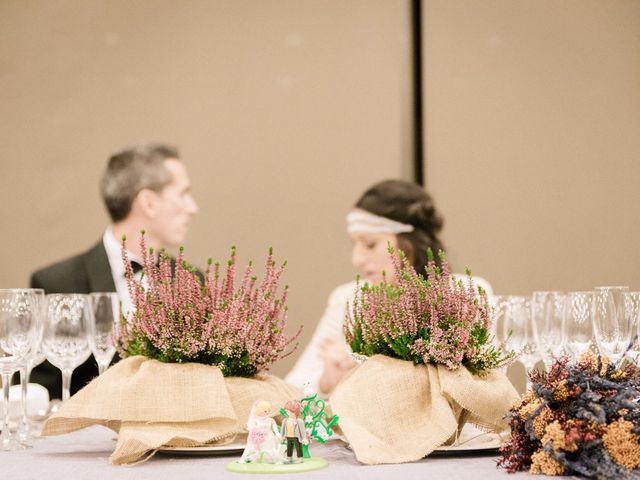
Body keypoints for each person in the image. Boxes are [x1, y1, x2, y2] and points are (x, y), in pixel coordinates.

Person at [285, 179, 493, 396]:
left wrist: (371, 373)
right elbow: (292, 388)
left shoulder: (465, 296)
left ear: (409, 243)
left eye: (370, 244)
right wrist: (326, 382)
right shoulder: (348, 299)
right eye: (353, 244)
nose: (357, 259)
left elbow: (487, 387)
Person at [30, 143, 199, 399]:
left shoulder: (191, 281)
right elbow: (43, 394)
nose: (192, 208)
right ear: (149, 202)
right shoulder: (59, 283)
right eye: (183, 194)